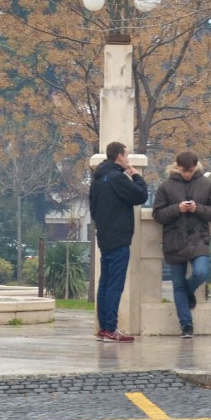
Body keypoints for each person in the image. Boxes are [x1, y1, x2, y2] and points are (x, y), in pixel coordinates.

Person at [151, 150, 211, 338]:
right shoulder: (165, 187)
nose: (187, 174)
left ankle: (189, 293)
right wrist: (177, 208)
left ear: (196, 166)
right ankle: (186, 325)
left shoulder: (208, 185)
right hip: (174, 240)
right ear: (177, 167)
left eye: (190, 171)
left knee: (201, 272)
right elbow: (157, 215)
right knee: (177, 285)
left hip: (199, 238)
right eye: (184, 171)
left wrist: (197, 208)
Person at [88, 142, 148, 343]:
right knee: (115, 285)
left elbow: (93, 210)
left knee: (104, 284)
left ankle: (103, 328)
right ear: (119, 156)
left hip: (104, 238)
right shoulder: (117, 178)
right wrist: (136, 176)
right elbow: (140, 195)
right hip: (119, 238)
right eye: (127, 156)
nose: (128, 160)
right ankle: (111, 329)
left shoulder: (97, 179)